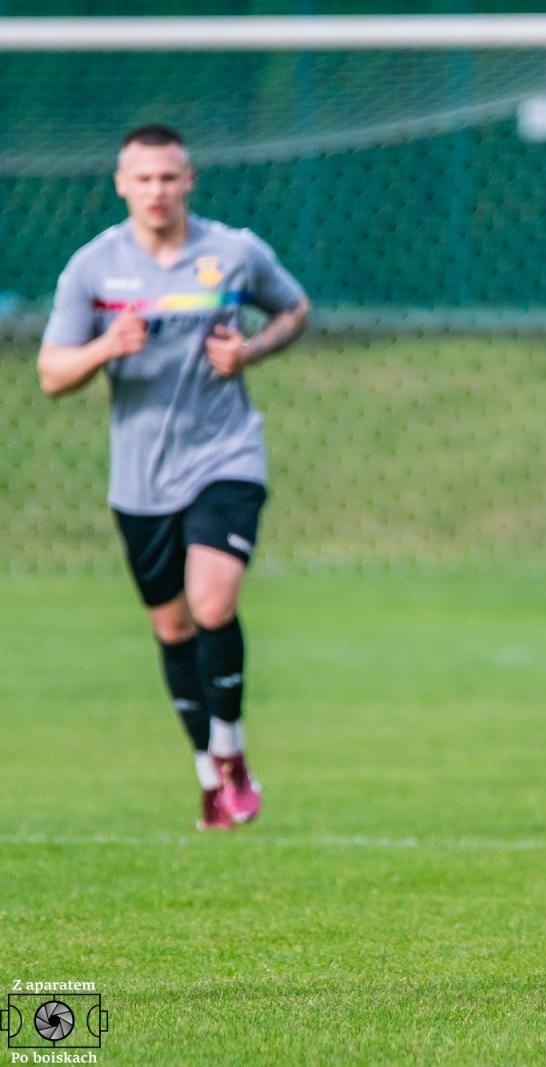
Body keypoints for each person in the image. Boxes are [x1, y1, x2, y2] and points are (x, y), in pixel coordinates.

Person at [39, 124, 311, 832]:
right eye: (144, 178)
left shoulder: (233, 251)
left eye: (169, 177)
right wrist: (106, 345)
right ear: (121, 185)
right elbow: (50, 375)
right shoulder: (92, 269)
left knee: (212, 602)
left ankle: (231, 750)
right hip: (139, 479)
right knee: (173, 626)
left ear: (189, 181)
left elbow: (296, 308)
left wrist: (248, 351)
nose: (157, 190)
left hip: (225, 456)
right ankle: (207, 773)